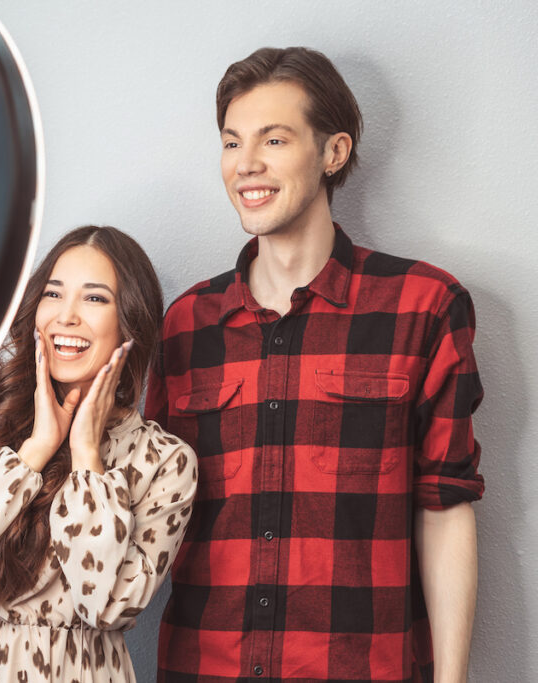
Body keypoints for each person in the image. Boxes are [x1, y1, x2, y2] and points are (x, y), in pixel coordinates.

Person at [149, 47, 484, 682]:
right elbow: (154, 510)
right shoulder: (186, 324)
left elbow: (445, 504)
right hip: (204, 668)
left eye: (273, 139)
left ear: (334, 152)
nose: (246, 165)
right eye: (231, 142)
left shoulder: (424, 308)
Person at [0, 225, 197, 682]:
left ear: (130, 321)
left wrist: (86, 460)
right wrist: (34, 452)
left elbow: (109, 606)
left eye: (94, 298)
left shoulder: (164, 462)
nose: (67, 316)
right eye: (54, 294)